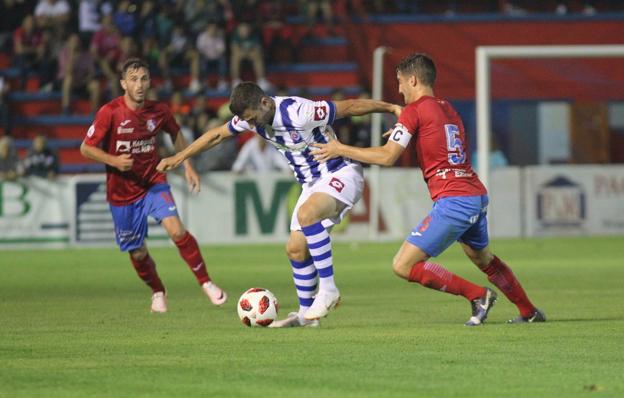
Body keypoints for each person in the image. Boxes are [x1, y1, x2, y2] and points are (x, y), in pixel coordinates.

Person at [312, 53, 545, 325]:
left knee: (403, 265)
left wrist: (339, 149)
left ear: (413, 80)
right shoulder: (447, 108)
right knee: (483, 258)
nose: (398, 89)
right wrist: (406, 132)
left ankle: (478, 296)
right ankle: (529, 312)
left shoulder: (415, 110)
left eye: (400, 82)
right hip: (474, 193)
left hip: (455, 199)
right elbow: (438, 142)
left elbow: (387, 157)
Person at [157, 81, 401, 326]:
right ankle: (306, 315)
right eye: (248, 121)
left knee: (307, 215)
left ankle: (328, 290)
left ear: (264, 102)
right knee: (295, 248)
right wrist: (180, 156)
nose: (251, 125)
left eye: (253, 119)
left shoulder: (299, 111)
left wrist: (391, 108)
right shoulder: (253, 117)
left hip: (340, 173)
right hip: (312, 184)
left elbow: (349, 106)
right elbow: (217, 135)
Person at [80, 58, 227, 313]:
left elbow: (175, 133)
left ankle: (207, 283)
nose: (140, 84)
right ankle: (158, 291)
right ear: (123, 83)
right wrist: (113, 159)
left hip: (153, 181)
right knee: (137, 252)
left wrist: (187, 165)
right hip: (122, 192)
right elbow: (85, 148)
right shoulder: (110, 112)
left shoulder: (159, 111)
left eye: (144, 79)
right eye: (134, 79)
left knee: (177, 230)